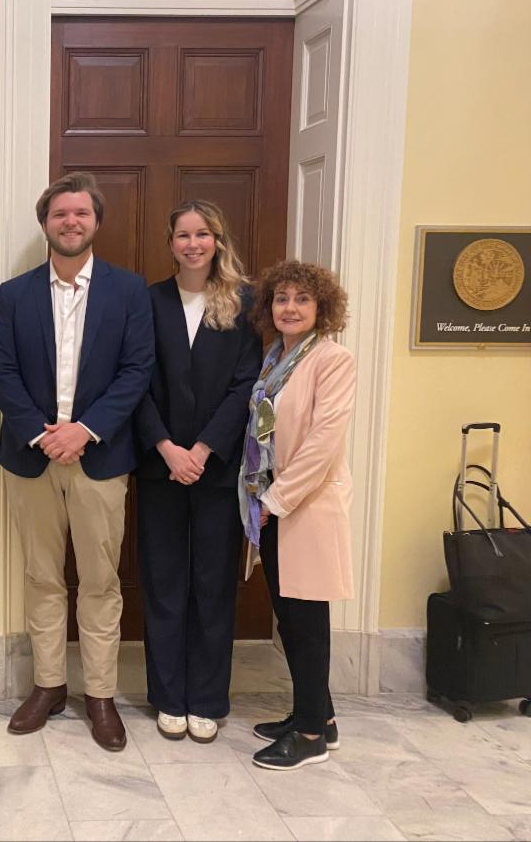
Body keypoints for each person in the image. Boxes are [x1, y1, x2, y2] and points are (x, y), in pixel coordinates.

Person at [0, 172, 154, 751]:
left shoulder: (128, 291)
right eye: (60, 214)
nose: (71, 222)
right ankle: (49, 686)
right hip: (31, 458)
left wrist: (84, 430)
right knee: (42, 577)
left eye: (81, 213)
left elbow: (137, 370)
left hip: (100, 458)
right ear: (45, 223)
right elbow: (2, 371)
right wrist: (43, 435)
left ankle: (101, 695)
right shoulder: (14, 294)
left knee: (101, 581)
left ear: (96, 222)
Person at [134, 201, 262, 743]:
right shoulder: (148, 301)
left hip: (216, 469)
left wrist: (203, 449)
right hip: (159, 467)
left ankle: (207, 699)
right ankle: (168, 696)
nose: (193, 244)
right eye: (183, 235)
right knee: (163, 583)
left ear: (217, 240)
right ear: (170, 243)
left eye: (202, 234)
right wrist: (167, 448)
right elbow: (134, 380)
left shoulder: (244, 303)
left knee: (212, 585)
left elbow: (246, 384)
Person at [238, 260, 356, 770]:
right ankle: (320, 717)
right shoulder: (276, 358)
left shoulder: (333, 359)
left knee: (307, 623)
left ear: (321, 307)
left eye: (302, 299)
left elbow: (322, 443)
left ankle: (309, 738)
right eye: (281, 298)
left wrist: (275, 500)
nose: (289, 308)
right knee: (290, 618)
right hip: (272, 504)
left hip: (304, 506)